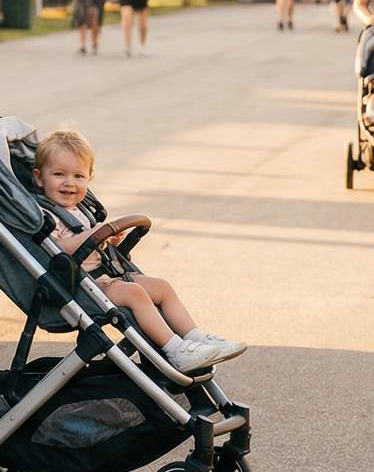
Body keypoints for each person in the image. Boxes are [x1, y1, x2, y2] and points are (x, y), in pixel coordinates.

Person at [32, 130, 245, 371]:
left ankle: (195, 338)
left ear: (90, 179)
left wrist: (106, 240)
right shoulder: (45, 215)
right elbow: (59, 249)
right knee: (135, 293)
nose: (69, 183)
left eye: (78, 176)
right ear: (39, 178)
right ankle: (175, 350)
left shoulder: (79, 210)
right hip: (80, 288)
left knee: (161, 287)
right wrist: (92, 235)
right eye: (59, 174)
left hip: (103, 278)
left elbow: (89, 245)